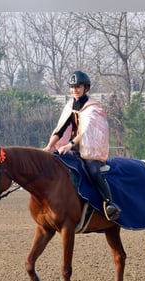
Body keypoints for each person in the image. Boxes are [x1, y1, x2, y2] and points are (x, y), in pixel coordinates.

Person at [43, 70, 121, 221]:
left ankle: (109, 203)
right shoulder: (69, 106)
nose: (75, 90)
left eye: (78, 87)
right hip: (72, 149)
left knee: (93, 172)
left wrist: (69, 145)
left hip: (88, 151)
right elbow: (60, 130)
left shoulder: (92, 108)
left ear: (86, 87)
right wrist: (49, 146)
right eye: (72, 87)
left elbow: (86, 132)